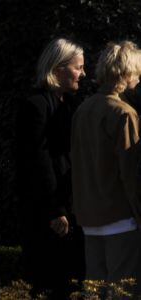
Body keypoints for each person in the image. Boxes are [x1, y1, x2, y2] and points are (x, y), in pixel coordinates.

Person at [15, 38, 86, 298]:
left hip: (64, 207)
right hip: (48, 212)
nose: (83, 73)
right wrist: (55, 210)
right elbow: (36, 161)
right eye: (78, 67)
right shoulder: (36, 106)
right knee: (51, 280)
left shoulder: (64, 104)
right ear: (58, 69)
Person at [71, 41, 141, 294]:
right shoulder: (124, 114)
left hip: (90, 217)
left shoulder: (83, 109)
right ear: (128, 72)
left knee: (95, 290)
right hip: (120, 217)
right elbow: (130, 174)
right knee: (123, 290)